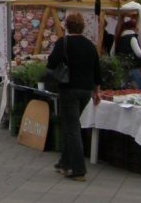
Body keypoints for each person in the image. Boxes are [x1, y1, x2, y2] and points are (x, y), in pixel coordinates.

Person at [47, 12, 100, 182]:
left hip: (69, 88)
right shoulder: (90, 45)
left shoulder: (63, 43)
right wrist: (96, 91)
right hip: (86, 90)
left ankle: (78, 170)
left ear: (67, 26)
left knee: (72, 128)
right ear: (82, 26)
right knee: (72, 124)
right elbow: (97, 70)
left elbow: (51, 63)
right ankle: (64, 162)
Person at [116, 17, 141, 89]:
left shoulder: (120, 38)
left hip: (122, 67)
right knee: (140, 90)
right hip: (133, 67)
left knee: (122, 89)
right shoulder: (132, 37)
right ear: (133, 28)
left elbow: (113, 52)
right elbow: (138, 53)